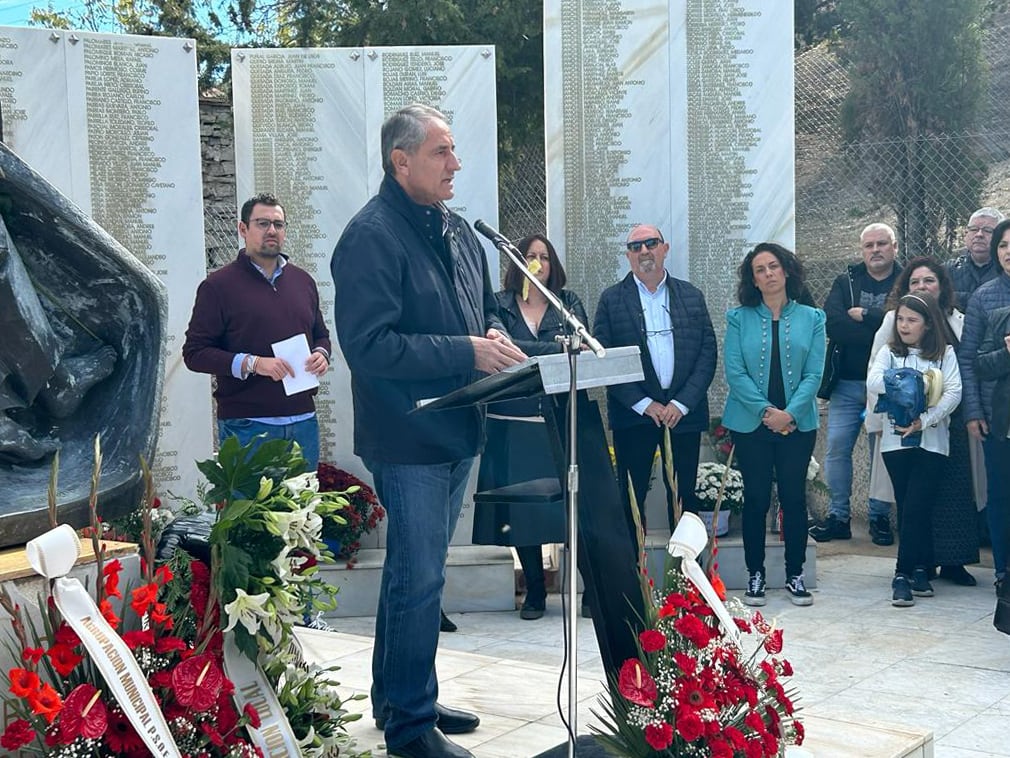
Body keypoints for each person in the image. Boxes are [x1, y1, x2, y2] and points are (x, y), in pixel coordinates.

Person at [330, 103, 526, 758]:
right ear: (401, 160)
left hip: (458, 428)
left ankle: (402, 697)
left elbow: (477, 312)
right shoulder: (370, 237)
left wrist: (491, 335)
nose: (456, 164)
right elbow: (370, 347)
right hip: (409, 437)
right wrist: (466, 350)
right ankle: (411, 731)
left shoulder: (459, 230)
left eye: (453, 149)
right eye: (441, 151)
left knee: (416, 575)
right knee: (419, 580)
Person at [477, 234, 588, 621]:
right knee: (523, 511)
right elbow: (504, 352)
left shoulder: (568, 304)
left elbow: (580, 349)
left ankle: (586, 589)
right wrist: (551, 351)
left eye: (544, 256)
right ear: (517, 263)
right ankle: (536, 590)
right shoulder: (499, 303)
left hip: (560, 418)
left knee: (571, 506)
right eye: (530, 256)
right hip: (514, 420)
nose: (537, 262)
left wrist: (528, 350)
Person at [182, 193, 331, 470]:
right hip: (248, 426)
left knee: (303, 511)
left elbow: (320, 334)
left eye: (278, 224)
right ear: (243, 229)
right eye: (262, 223)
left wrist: (322, 354)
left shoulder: (303, 281)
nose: (272, 230)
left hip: (303, 421)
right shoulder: (218, 287)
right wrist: (253, 363)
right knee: (250, 513)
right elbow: (194, 353)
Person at [593, 224, 717, 535]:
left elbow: (707, 352)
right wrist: (644, 404)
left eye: (651, 243)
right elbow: (605, 356)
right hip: (634, 416)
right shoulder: (611, 300)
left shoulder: (691, 295)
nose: (644, 251)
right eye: (636, 246)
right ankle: (633, 577)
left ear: (665, 248)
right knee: (630, 498)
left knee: (684, 496)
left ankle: (686, 575)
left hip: (682, 416)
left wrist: (681, 403)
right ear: (628, 256)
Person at [866, 257, 979, 585]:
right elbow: (875, 372)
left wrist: (929, 414)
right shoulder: (893, 327)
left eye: (929, 281)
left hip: (945, 427)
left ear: (942, 286)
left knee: (951, 495)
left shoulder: (956, 323)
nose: (922, 287)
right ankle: (919, 564)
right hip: (900, 426)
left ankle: (954, 562)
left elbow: (957, 382)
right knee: (913, 501)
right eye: (915, 282)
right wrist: (908, 390)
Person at [722, 243, 824, 607]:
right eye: (759, 269)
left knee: (794, 498)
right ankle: (756, 574)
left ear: (786, 271)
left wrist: (789, 414)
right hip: (751, 424)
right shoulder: (738, 318)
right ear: (752, 279)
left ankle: (795, 574)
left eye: (773, 266)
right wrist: (768, 412)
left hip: (798, 424)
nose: (767, 274)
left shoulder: (813, 318)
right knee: (756, 498)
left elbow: (815, 373)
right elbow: (735, 371)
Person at [810, 223, 901, 546]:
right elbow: (834, 324)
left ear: (894, 247)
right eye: (868, 245)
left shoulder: (904, 280)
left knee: (882, 453)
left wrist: (867, 314)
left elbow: (905, 327)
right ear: (862, 250)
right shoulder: (845, 281)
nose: (875, 250)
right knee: (836, 448)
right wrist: (882, 324)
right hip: (846, 383)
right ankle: (838, 516)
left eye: (881, 244)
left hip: (889, 385)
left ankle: (879, 517)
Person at [959, 218, 1010, 591]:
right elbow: (970, 361)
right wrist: (974, 411)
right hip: (999, 416)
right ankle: (1004, 573)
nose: (1009, 252)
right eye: (1005, 245)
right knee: (1002, 497)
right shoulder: (985, 297)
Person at [946, 207, 1004, 311]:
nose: (979, 234)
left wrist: (957, 298)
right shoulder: (949, 270)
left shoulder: (1006, 270)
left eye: (988, 230)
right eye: (973, 229)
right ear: (966, 234)